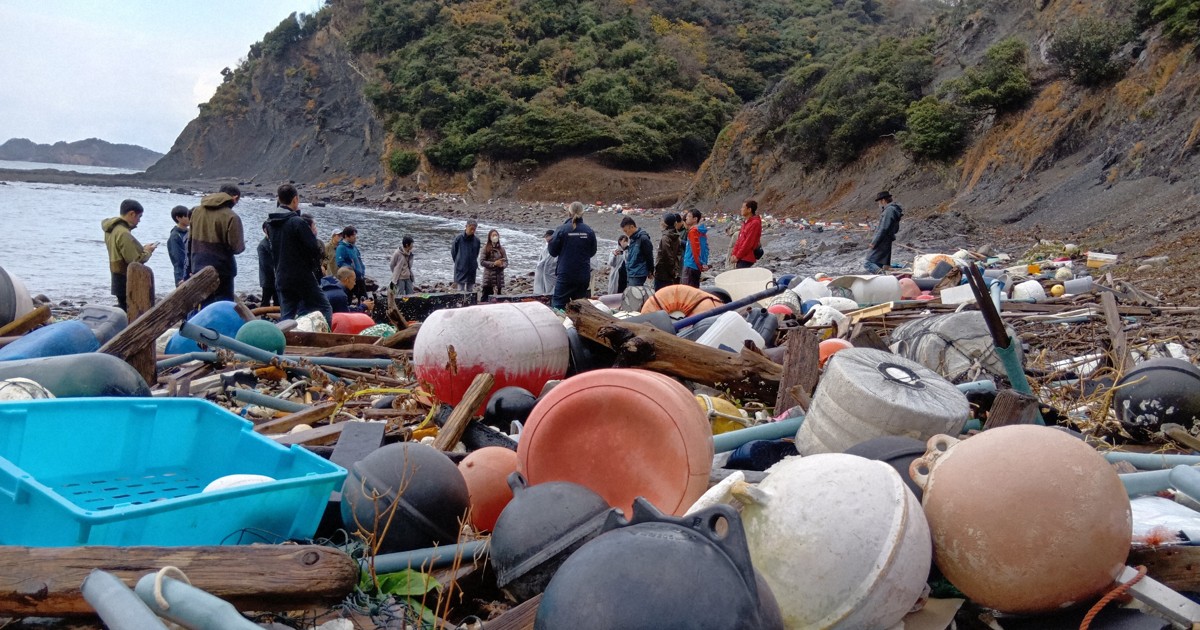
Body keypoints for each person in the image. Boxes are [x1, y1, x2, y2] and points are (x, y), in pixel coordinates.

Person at [267, 184, 331, 326]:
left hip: (281, 275)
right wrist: (314, 266)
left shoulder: (271, 222)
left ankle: (284, 344)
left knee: (287, 316)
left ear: (279, 199)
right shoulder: (297, 222)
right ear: (295, 199)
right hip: (301, 276)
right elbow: (314, 248)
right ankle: (325, 338)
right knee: (324, 307)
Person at [188, 184, 245, 305]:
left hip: (198, 266)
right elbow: (237, 247)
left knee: (203, 305)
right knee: (222, 307)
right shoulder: (231, 216)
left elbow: (190, 240)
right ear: (234, 198)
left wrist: (189, 267)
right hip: (222, 270)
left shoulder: (196, 211)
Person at [102, 199, 156, 312]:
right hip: (125, 277)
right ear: (132, 214)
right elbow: (135, 261)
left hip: (116, 275)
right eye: (139, 217)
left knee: (123, 307)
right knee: (130, 311)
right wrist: (148, 251)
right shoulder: (123, 233)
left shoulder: (111, 229)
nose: (139, 220)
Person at [548, 201, 598, 309]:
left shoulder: (561, 229)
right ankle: (577, 325)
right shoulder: (588, 231)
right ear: (582, 213)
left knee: (558, 304)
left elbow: (552, 251)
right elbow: (592, 252)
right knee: (580, 306)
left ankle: (560, 324)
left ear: (569, 213)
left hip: (565, 273)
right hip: (583, 274)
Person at [865, 191, 904, 274]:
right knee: (878, 264)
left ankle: (883, 277)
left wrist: (874, 242)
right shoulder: (892, 209)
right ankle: (882, 281)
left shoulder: (889, 210)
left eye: (879, 202)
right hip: (886, 239)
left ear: (883, 200)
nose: (879, 204)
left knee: (868, 263)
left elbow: (883, 228)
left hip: (882, 240)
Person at [336, 226, 368, 301]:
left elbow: (359, 260)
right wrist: (352, 270)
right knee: (348, 299)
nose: (355, 237)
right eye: (353, 235)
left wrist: (362, 270)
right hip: (350, 279)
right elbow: (340, 262)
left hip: (359, 278)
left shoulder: (354, 247)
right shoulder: (341, 248)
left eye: (355, 235)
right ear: (346, 236)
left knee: (364, 298)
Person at [620, 217, 653, 287]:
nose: (626, 234)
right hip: (631, 271)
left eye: (626, 231)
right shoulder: (633, 238)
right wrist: (626, 248)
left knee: (634, 294)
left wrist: (651, 271)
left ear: (632, 227)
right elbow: (634, 253)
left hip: (638, 273)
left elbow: (649, 256)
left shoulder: (643, 238)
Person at [730, 199, 763, 269]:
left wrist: (737, 256)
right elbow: (739, 241)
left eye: (743, 207)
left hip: (747, 258)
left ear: (749, 210)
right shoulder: (745, 223)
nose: (741, 209)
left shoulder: (755, 223)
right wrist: (734, 254)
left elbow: (748, 243)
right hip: (741, 257)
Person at [451, 218, 481, 293]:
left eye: (474, 229)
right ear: (466, 226)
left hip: (471, 269)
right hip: (460, 268)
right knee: (460, 290)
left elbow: (476, 253)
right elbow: (453, 252)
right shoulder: (459, 238)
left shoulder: (477, 241)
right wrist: (459, 261)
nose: (472, 231)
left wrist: (473, 263)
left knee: (470, 290)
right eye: (471, 228)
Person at [681, 208, 710, 288]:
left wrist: (699, 264)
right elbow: (705, 249)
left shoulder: (693, 231)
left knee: (687, 291)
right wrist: (703, 263)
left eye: (689, 216)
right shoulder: (702, 232)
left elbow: (695, 249)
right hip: (696, 266)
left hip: (690, 264)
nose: (686, 218)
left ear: (695, 219)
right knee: (694, 289)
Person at [654, 212, 682, 291]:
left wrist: (672, 271)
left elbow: (667, 256)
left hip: (662, 273)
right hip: (671, 272)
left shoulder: (665, 238)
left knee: (660, 295)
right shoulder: (676, 236)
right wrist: (675, 268)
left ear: (665, 224)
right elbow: (678, 254)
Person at [479, 229, 508, 300]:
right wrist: (494, 264)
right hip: (488, 279)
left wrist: (502, 265)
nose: (495, 237)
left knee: (498, 300)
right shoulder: (485, 248)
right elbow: (482, 262)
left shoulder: (502, 249)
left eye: (496, 235)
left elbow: (506, 262)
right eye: (493, 235)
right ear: (490, 237)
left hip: (499, 279)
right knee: (485, 299)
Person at [166, 205, 190, 286]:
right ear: (178, 218)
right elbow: (178, 259)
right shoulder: (175, 236)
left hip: (189, 271)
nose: (189, 218)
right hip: (181, 273)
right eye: (186, 216)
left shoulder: (189, 232)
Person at [257, 221, 276, 307]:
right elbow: (265, 264)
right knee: (266, 299)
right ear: (265, 230)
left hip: (276, 277)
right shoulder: (262, 245)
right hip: (267, 278)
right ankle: (263, 317)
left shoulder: (274, 242)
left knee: (278, 299)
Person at [533, 229, 557, 295]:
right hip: (546, 269)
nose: (546, 239)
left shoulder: (552, 245)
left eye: (547, 237)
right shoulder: (547, 245)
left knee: (550, 286)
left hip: (549, 269)